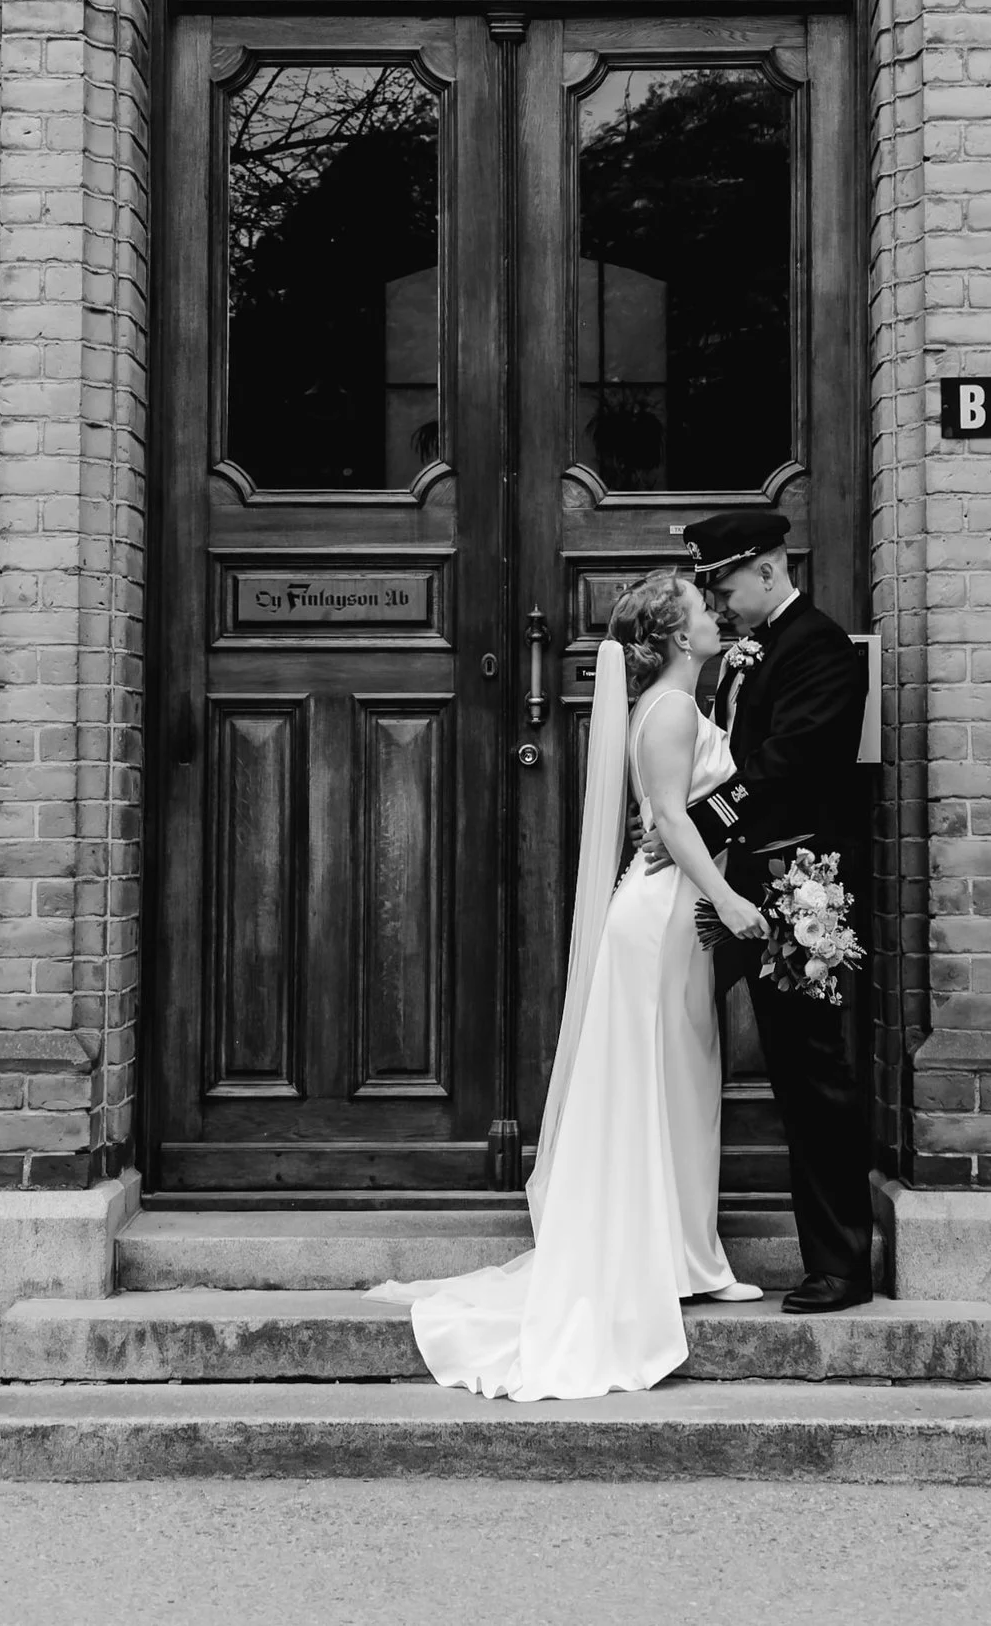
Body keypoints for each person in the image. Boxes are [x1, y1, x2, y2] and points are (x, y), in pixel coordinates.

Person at [392, 566, 768, 1399]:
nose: (716, 617)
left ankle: (687, 1254)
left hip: (670, 908)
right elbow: (669, 820)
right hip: (666, 913)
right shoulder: (668, 710)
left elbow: (700, 806)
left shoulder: (684, 703)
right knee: (668, 1081)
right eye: (705, 610)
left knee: (682, 1080)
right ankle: (677, 1258)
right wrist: (732, 898)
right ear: (676, 636)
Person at [660, 500, 875, 1312]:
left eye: (720, 584)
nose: (713, 602)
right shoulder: (751, 649)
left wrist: (699, 820)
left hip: (797, 888)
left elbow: (782, 764)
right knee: (676, 1041)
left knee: (808, 1070)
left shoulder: (817, 648)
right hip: (735, 885)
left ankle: (839, 1265)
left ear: (766, 568)